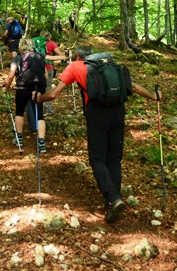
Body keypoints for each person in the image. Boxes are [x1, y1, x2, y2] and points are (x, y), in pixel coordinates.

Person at [36, 44, 160, 223]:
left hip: (97, 113)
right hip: (118, 111)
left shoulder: (75, 67)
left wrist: (39, 98)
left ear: (78, 56)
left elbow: (54, 94)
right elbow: (133, 86)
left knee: (97, 159)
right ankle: (113, 202)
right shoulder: (109, 66)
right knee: (114, 158)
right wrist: (153, 96)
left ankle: (113, 198)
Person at [2, 39, 67, 153]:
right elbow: (48, 68)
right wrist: (65, 57)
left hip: (22, 87)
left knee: (19, 112)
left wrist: (5, 87)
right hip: (38, 88)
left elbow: (11, 75)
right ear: (32, 46)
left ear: (20, 47)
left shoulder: (18, 57)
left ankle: (19, 139)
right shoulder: (39, 55)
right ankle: (42, 142)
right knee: (40, 114)